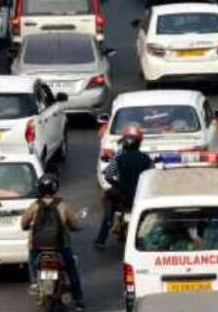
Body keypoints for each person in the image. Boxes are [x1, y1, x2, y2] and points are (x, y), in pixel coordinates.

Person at [20, 174, 85, 310]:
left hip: (38, 247)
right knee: (71, 270)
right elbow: (74, 224)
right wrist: (75, 227)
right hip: (60, 246)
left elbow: (23, 223)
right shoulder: (62, 205)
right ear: (55, 188)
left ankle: (34, 283)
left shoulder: (35, 205)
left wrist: (27, 227)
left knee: (32, 259)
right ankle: (79, 300)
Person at [94, 126, 153, 248]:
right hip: (140, 195)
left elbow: (108, 175)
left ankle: (102, 237)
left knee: (107, 201)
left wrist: (119, 185)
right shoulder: (146, 159)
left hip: (121, 194)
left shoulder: (119, 158)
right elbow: (151, 176)